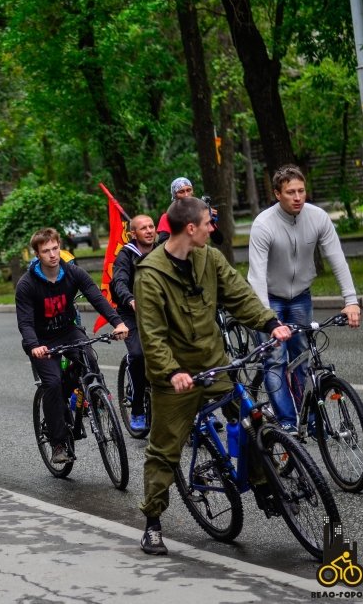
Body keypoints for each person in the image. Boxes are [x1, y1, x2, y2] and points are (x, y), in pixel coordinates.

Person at [134, 197, 291, 556]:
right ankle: (153, 523)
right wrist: (172, 372)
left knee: (250, 417)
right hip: (175, 375)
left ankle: (263, 482)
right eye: (207, 223)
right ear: (190, 228)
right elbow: (152, 335)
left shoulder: (209, 257)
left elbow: (238, 295)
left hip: (214, 361)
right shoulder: (151, 274)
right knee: (164, 450)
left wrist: (269, 323)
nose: (211, 229)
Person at [247, 164, 361, 433]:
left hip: (300, 296)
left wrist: (352, 300)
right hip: (270, 299)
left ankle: (307, 419)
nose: (298, 197)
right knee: (275, 359)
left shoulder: (318, 217)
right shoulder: (264, 224)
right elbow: (256, 277)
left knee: (303, 357)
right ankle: (287, 423)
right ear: (277, 194)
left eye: (301, 191)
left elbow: (337, 259)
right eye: (290, 192)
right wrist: (268, 319)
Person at [15, 228, 128, 463]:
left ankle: (97, 399)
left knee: (89, 358)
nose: (52, 254)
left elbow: (96, 297)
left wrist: (117, 323)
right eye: (46, 251)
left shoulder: (72, 272)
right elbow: (25, 322)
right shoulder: (27, 284)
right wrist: (34, 345)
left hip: (68, 330)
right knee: (52, 383)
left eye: (55, 248)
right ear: (37, 254)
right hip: (41, 340)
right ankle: (58, 443)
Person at [111, 214, 157, 433]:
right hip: (131, 313)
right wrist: (130, 299)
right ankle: (138, 407)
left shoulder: (162, 250)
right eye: (143, 228)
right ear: (133, 234)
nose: (148, 230)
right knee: (138, 355)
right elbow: (118, 282)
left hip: (158, 311)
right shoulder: (126, 255)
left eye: (151, 226)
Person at [155, 177, 223, 245]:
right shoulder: (168, 217)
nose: (186, 195)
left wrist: (210, 220)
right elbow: (162, 242)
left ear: (192, 191)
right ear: (175, 195)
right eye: (181, 192)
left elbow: (218, 240)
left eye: (188, 190)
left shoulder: (201, 213)